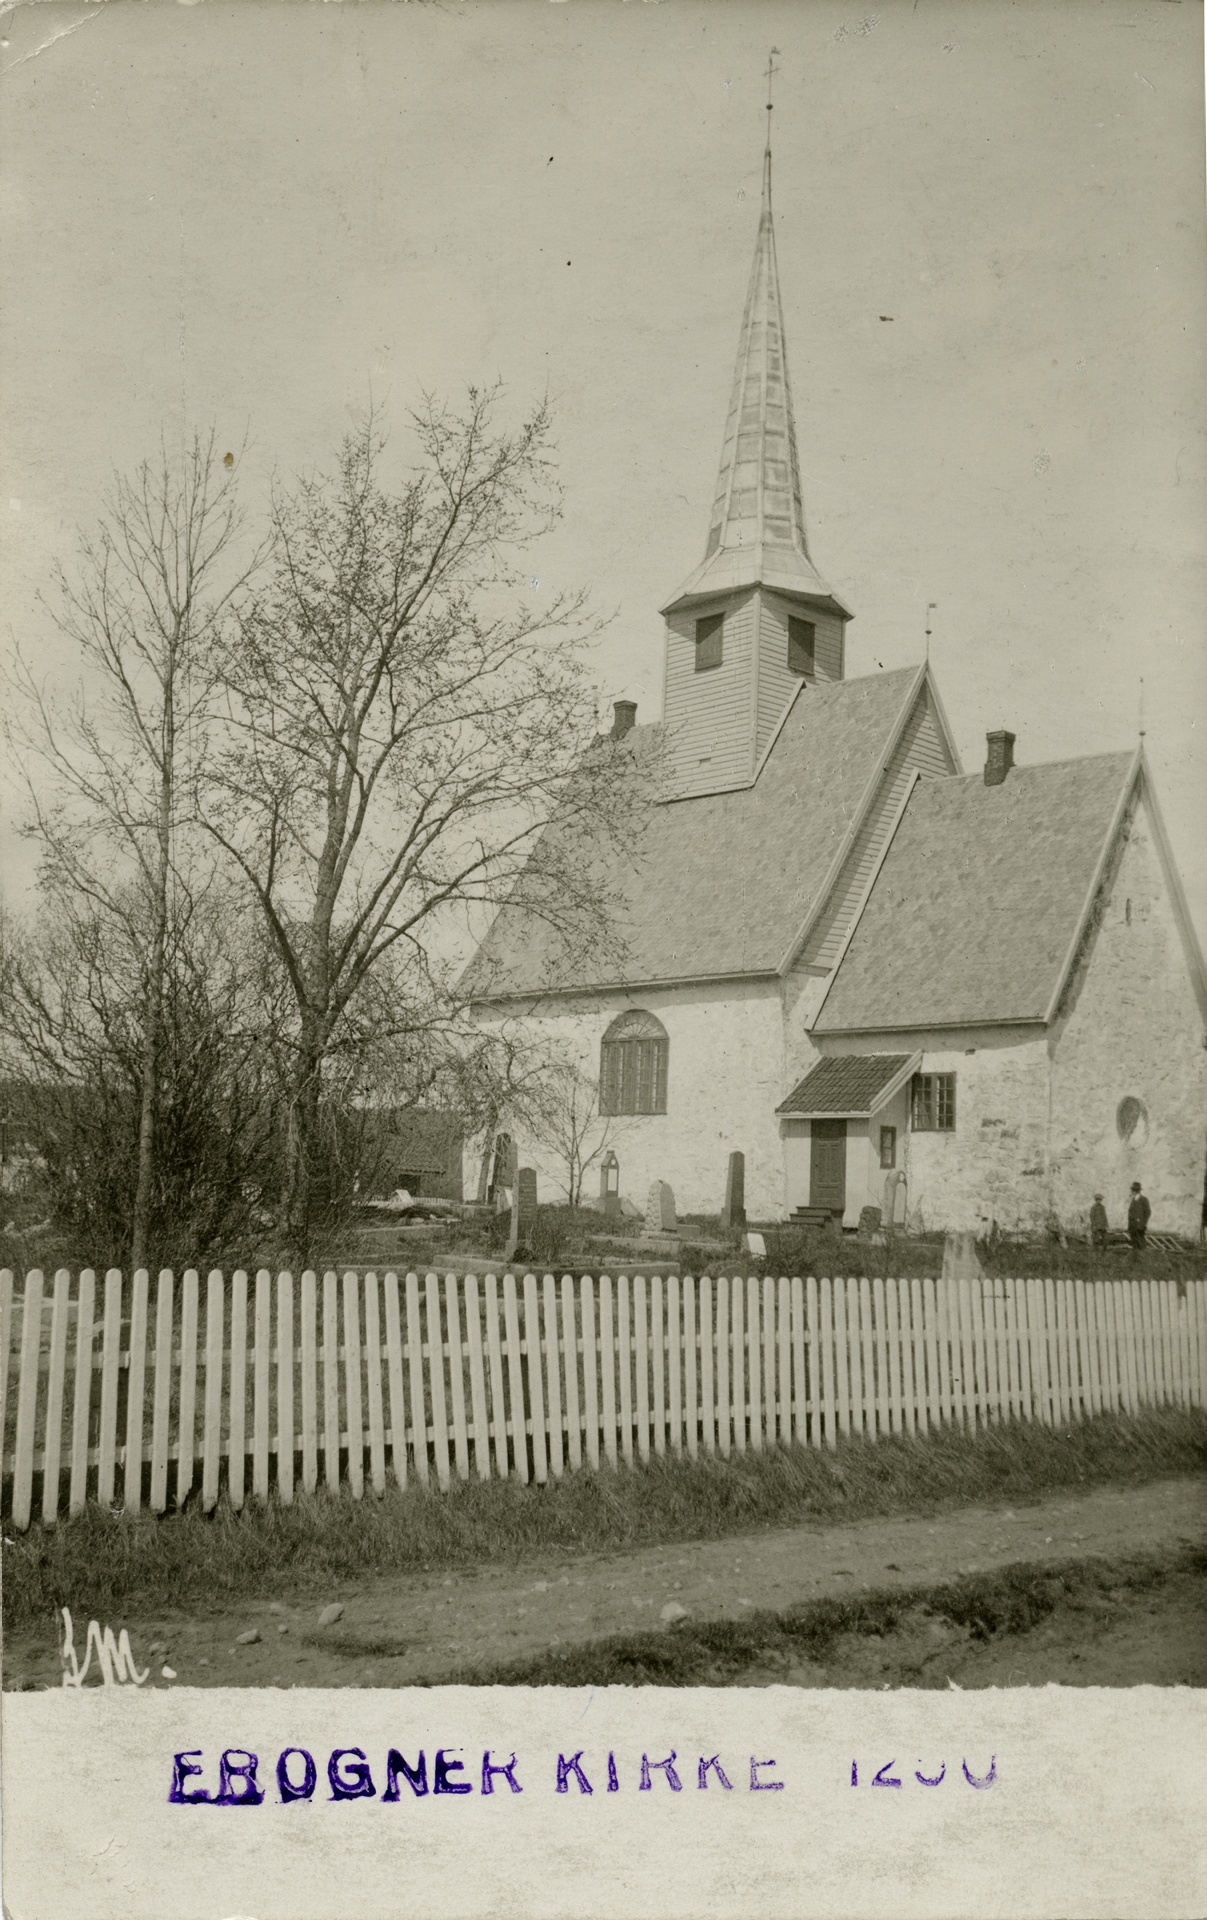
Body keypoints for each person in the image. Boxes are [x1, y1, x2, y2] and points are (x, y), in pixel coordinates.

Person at [1127, 1181, 1151, 1251]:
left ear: (1137, 1191)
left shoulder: (1144, 1199)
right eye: (1132, 1190)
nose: (1131, 1191)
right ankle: (1135, 1259)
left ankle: (1143, 1259)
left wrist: (1143, 1222)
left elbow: (1148, 1212)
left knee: (1141, 1243)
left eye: (1133, 1190)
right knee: (1134, 1243)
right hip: (1132, 1226)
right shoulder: (1133, 1200)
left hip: (1139, 1225)